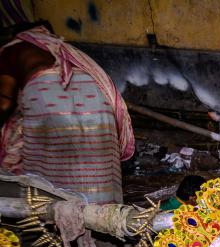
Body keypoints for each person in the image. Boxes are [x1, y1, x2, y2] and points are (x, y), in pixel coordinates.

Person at [0, 21, 134, 203]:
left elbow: (4, 104)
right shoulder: (61, 49)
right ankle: (102, 210)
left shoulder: (12, 49)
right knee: (96, 157)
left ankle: (56, 210)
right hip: (95, 94)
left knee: (49, 167)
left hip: (46, 91)